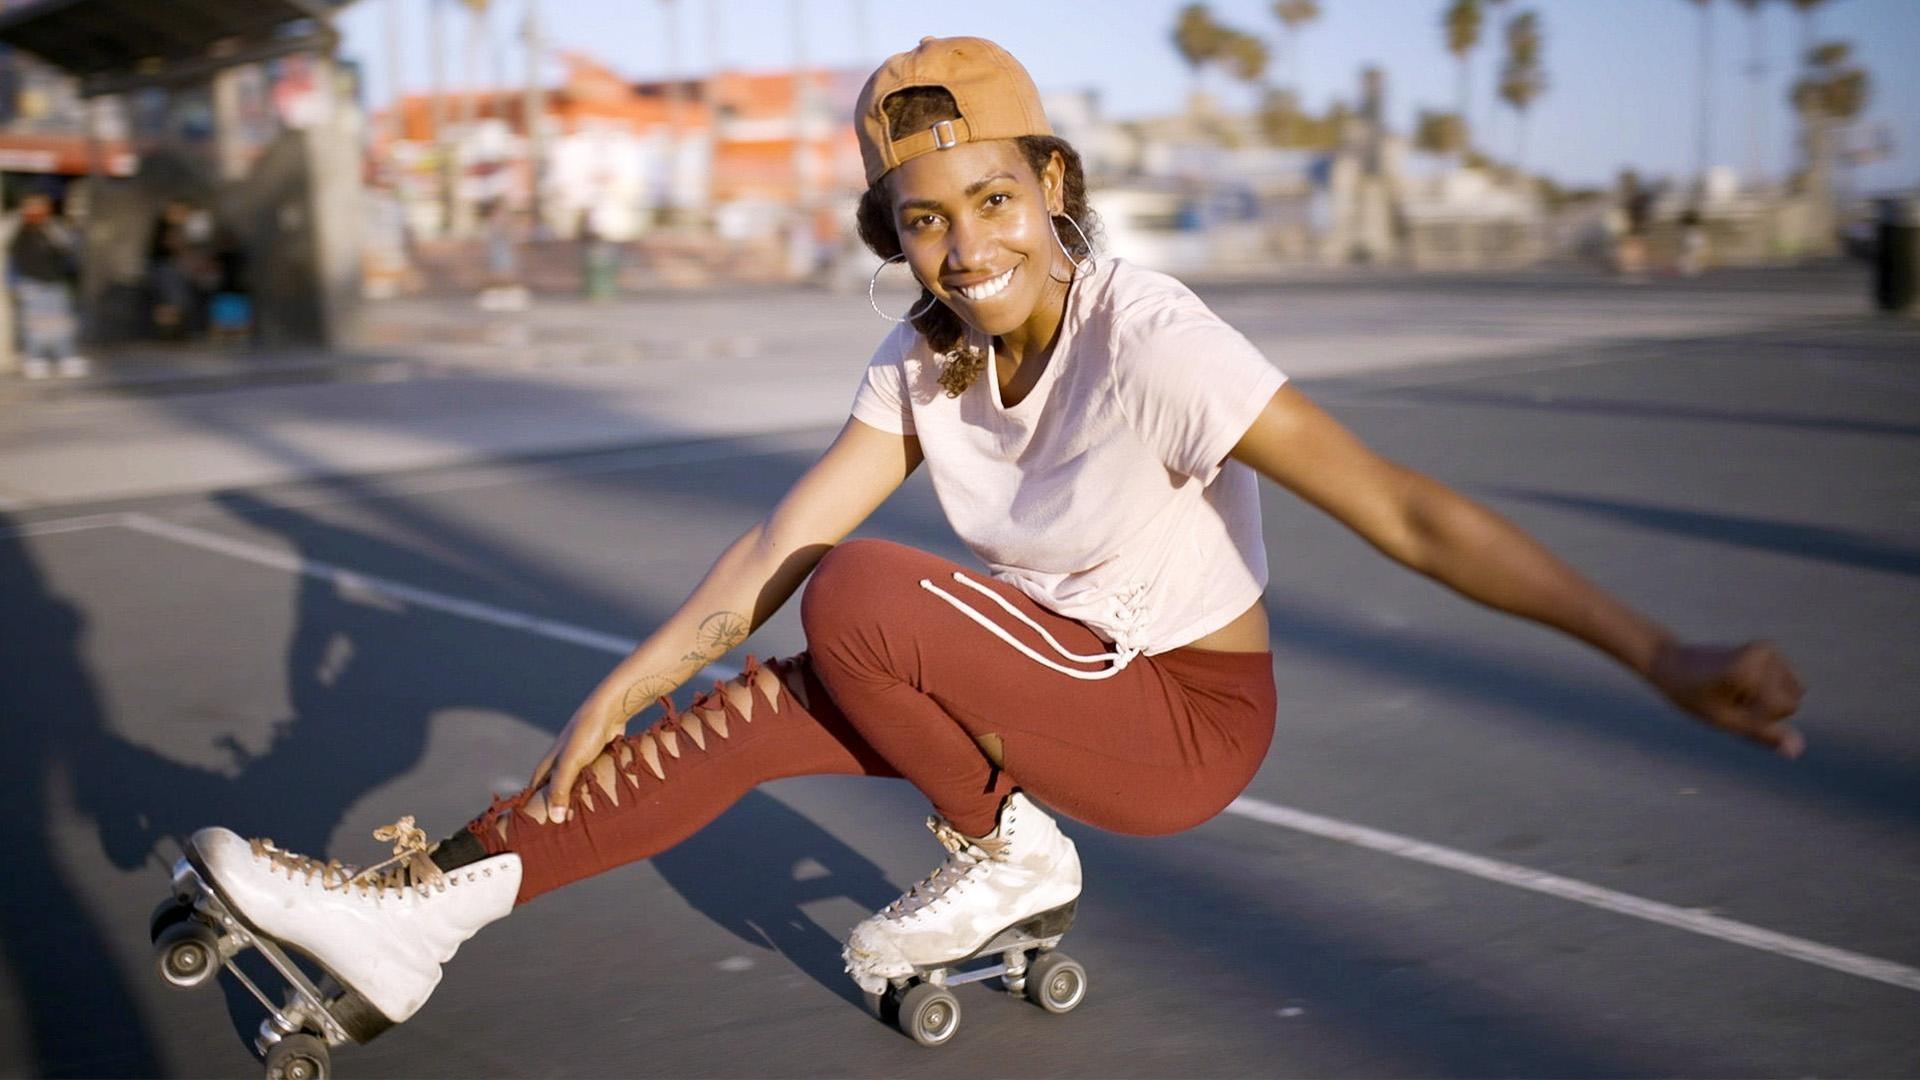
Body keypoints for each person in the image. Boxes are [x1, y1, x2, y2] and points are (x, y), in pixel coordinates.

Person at [186, 37, 1804, 1042]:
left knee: (869, 597)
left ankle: (1009, 845)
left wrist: (1658, 654)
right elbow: (773, 544)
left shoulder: (1149, 333)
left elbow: (1404, 509)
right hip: (1027, 674)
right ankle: (428, 915)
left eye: (992, 200)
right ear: (895, 236)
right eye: (923, 220)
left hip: (1176, 718)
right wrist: (627, 677)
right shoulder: (923, 361)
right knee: (733, 717)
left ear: (1054, 182)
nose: (965, 248)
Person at [8, 192, 89, 379]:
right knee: (35, 324)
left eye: (41, 206)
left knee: (61, 323)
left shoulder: (52, 227)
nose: (37, 210)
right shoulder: (19, 229)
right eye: (32, 206)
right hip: (31, 282)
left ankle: (65, 357)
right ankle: (35, 359)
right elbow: (10, 253)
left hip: (55, 281)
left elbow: (66, 247)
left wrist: (50, 226)